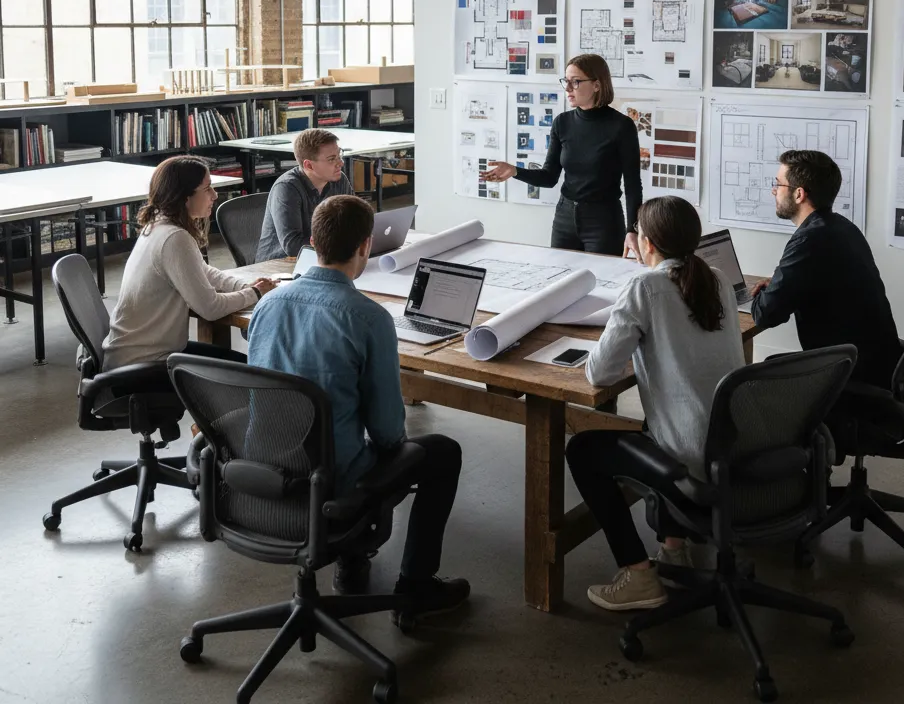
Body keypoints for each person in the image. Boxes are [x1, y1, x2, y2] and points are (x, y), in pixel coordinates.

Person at [246, 194, 470, 616]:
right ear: (366, 246)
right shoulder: (368, 318)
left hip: (266, 472)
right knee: (442, 452)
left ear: (313, 240)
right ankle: (416, 588)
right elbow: (387, 432)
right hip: (333, 485)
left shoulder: (268, 304)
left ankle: (353, 556)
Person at [565, 196, 745, 611]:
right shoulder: (715, 278)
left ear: (646, 243)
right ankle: (673, 548)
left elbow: (599, 374)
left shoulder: (645, 286)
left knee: (584, 449)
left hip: (688, 454)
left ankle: (639, 574)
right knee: (660, 423)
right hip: (733, 446)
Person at [102, 156, 274, 370]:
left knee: (246, 366)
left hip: (137, 355)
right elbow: (210, 308)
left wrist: (246, 286)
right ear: (184, 197)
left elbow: (204, 271)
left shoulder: (158, 226)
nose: (214, 195)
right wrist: (255, 293)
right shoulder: (174, 238)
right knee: (256, 372)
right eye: (207, 188)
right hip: (145, 366)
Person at [750, 149, 901, 388]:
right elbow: (820, 282)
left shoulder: (808, 240)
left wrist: (762, 293)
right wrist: (781, 283)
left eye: (778, 184)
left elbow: (765, 315)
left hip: (849, 372)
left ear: (799, 194)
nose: (773, 190)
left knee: (751, 383)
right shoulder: (842, 227)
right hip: (877, 360)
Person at [482, 53, 642, 258]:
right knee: (558, 278)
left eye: (575, 82)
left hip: (604, 221)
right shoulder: (562, 123)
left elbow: (632, 184)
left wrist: (633, 230)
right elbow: (549, 177)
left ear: (597, 85)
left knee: (603, 283)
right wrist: (514, 171)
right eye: (566, 81)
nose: (568, 88)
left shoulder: (621, 126)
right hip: (565, 218)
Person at [255, 128, 353, 262]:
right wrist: (342, 242)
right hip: (279, 264)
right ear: (309, 165)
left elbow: (354, 219)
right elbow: (293, 245)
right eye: (331, 159)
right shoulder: (287, 188)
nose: (340, 163)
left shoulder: (339, 180)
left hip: (324, 258)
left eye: (339, 155)